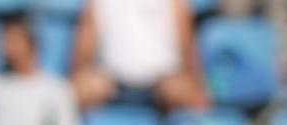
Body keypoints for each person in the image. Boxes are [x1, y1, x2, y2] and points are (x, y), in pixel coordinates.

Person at [70, 0, 209, 112]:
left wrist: (195, 84)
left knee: (189, 96)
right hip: (110, 79)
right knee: (74, 94)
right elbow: (84, 47)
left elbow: (187, 42)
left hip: (165, 79)